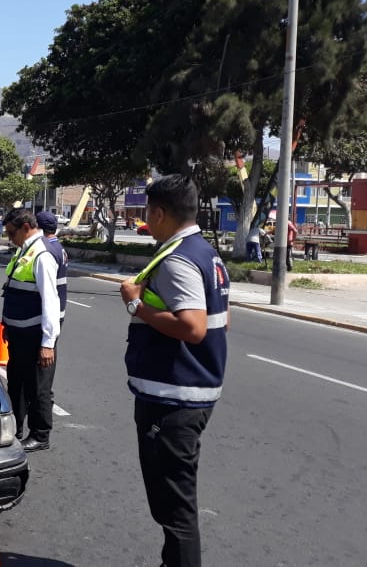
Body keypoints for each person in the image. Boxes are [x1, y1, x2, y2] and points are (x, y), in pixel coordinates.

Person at [118, 174, 230, 567]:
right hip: (188, 393)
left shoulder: (178, 258)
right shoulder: (205, 252)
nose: (147, 220)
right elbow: (223, 320)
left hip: (174, 401)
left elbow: (194, 327)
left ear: (159, 213)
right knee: (172, 503)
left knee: (174, 508)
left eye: (149, 211)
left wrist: (136, 305)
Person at [1, 208, 60, 453]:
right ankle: (15, 428)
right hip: (18, 333)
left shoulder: (42, 254)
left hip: (35, 335)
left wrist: (47, 343)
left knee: (38, 388)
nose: (9, 238)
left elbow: (51, 301)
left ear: (26, 227)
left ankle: (40, 434)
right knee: (17, 383)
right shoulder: (24, 250)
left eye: (12, 233)